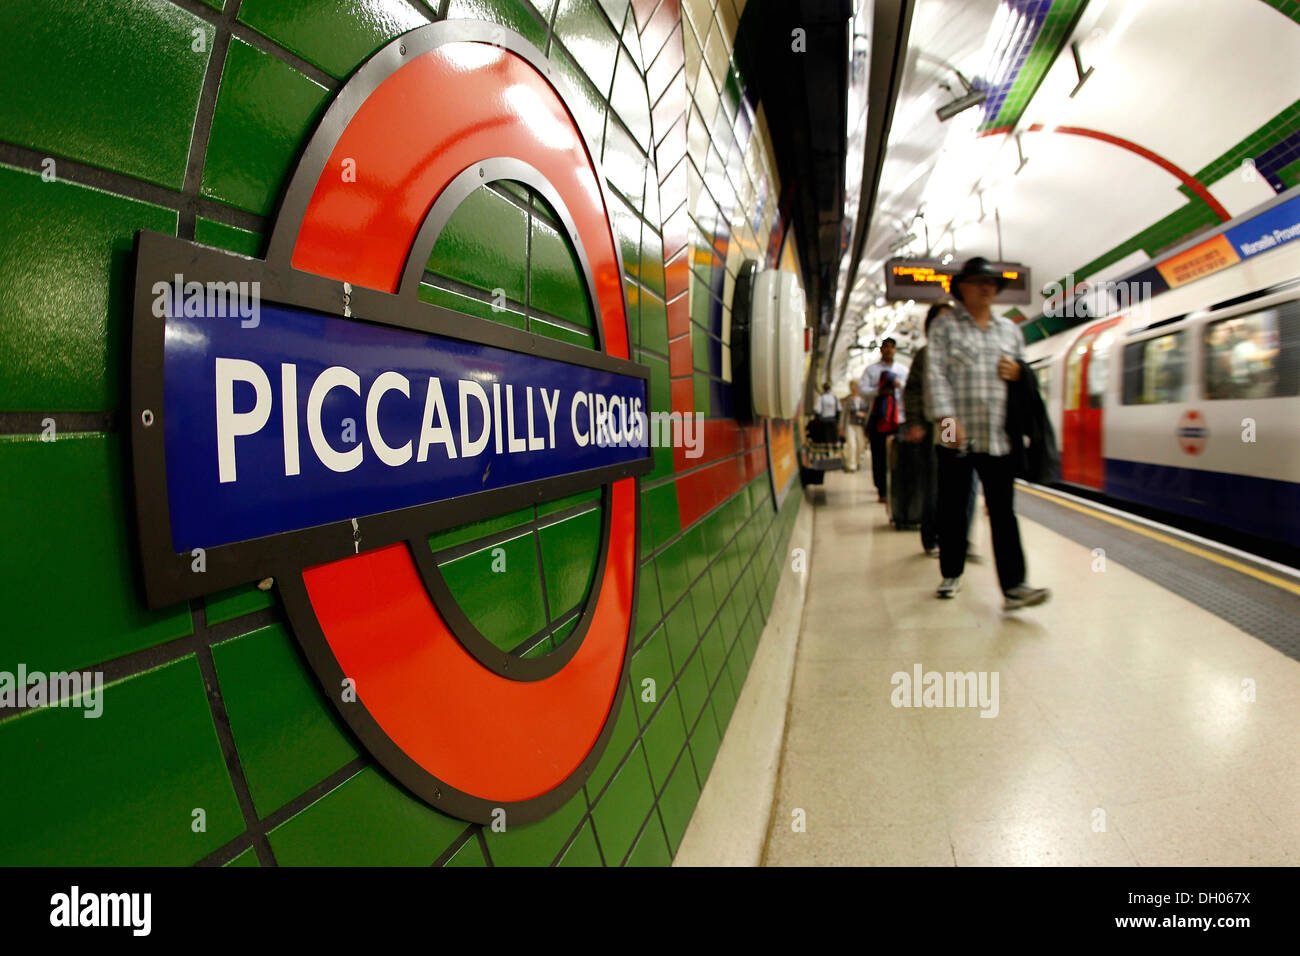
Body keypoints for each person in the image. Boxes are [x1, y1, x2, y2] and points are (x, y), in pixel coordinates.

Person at [926, 257, 1049, 610]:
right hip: (958, 438)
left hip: (999, 438)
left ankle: (1014, 587)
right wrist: (947, 424)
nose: (987, 288)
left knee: (1003, 512)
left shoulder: (1009, 331)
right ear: (962, 288)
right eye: (980, 281)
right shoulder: (946, 327)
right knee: (952, 509)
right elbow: (936, 376)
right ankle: (951, 572)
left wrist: (1018, 373)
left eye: (992, 283)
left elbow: (1025, 378)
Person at [902, 301, 979, 557]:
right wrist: (914, 422)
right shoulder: (926, 355)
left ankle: (961, 539)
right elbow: (912, 390)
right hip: (940, 425)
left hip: (967, 426)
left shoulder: (965, 352)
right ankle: (933, 536)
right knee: (939, 482)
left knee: (967, 486)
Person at [860, 337, 908, 503]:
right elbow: (862, 390)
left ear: (895, 350)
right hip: (878, 418)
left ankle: (898, 486)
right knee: (879, 455)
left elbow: (910, 390)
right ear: (881, 349)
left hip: (899, 418)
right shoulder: (871, 370)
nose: (889, 350)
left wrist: (898, 385)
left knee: (900, 454)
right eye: (885, 347)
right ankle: (882, 490)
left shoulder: (903, 370)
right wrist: (878, 391)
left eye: (892, 347)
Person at [840, 380, 868, 472]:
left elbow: (869, 412)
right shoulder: (848, 400)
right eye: (853, 387)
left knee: (861, 445)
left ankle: (857, 461)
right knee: (852, 445)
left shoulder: (864, 400)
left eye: (856, 387)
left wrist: (864, 415)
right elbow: (843, 414)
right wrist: (841, 427)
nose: (855, 389)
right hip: (850, 424)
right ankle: (852, 465)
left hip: (861, 425)